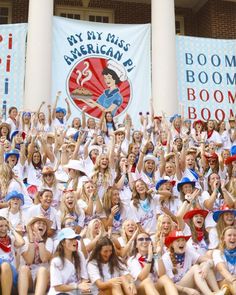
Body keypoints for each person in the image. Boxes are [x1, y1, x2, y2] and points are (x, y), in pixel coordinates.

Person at [48, 228, 91, 295]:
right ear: (63, 242)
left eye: (75, 238)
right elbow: (57, 287)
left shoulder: (80, 255)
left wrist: (85, 288)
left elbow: (84, 279)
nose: (75, 241)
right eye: (71, 239)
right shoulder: (56, 261)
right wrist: (77, 286)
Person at [18, 216, 53, 295]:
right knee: (24, 268)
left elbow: (44, 258)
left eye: (44, 224)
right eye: (39, 223)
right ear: (32, 227)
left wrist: (40, 239)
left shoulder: (49, 240)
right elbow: (29, 260)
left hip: (42, 277)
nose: (42, 225)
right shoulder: (25, 240)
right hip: (28, 277)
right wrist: (31, 240)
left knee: (42, 270)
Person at [0, 216, 25, 295]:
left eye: (6, 226)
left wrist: (12, 229)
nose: (4, 228)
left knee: (5, 265)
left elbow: (21, 243)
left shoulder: (11, 238)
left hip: (11, 274)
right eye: (1, 226)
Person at [212, 226, 236, 295]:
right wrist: (233, 279)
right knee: (231, 281)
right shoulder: (217, 252)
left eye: (235, 235)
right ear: (223, 239)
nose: (233, 237)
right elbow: (222, 269)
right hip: (223, 283)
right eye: (229, 235)